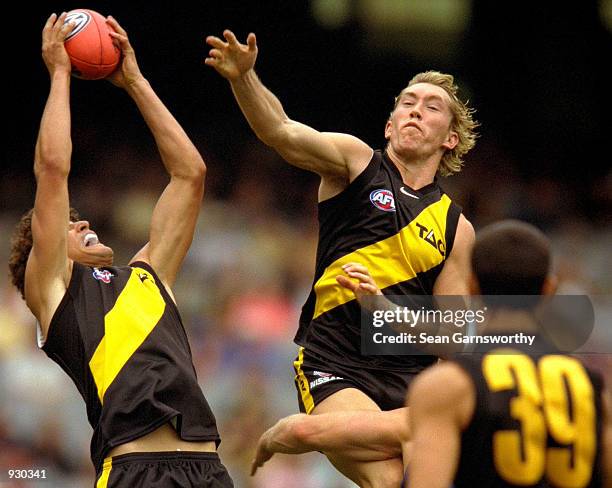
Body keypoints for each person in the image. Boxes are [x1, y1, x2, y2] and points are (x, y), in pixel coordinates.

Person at [205, 29, 478, 487]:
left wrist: (386, 313)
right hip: (335, 366)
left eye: (432, 107)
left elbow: (452, 337)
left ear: (450, 139)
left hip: (411, 383)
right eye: (407, 102)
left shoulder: (456, 228)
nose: (415, 109)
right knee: (390, 481)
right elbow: (281, 131)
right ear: (390, 125)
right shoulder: (356, 163)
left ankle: (300, 432)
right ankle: (304, 430)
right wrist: (244, 79)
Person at [8, 13, 233, 487]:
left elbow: (189, 173)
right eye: (69, 224)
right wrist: (61, 74)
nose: (82, 221)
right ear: (42, 252)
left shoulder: (150, 275)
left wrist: (134, 81)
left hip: (209, 470)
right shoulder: (55, 293)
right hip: (135, 470)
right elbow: (53, 168)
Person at [250, 220, 612, 488]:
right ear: (549, 291)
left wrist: (278, 436)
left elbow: (314, 433)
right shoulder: (593, 389)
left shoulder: (454, 386)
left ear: (472, 288)